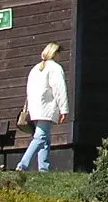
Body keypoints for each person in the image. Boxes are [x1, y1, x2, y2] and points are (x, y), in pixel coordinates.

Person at [17, 42, 69, 172]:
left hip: (35, 107)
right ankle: (22, 165)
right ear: (55, 53)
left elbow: (29, 90)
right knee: (40, 137)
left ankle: (44, 169)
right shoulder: (55, 68)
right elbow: (59, 89)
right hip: (47, 107)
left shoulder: (35, 68)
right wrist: (64, 110)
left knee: (44, 138)